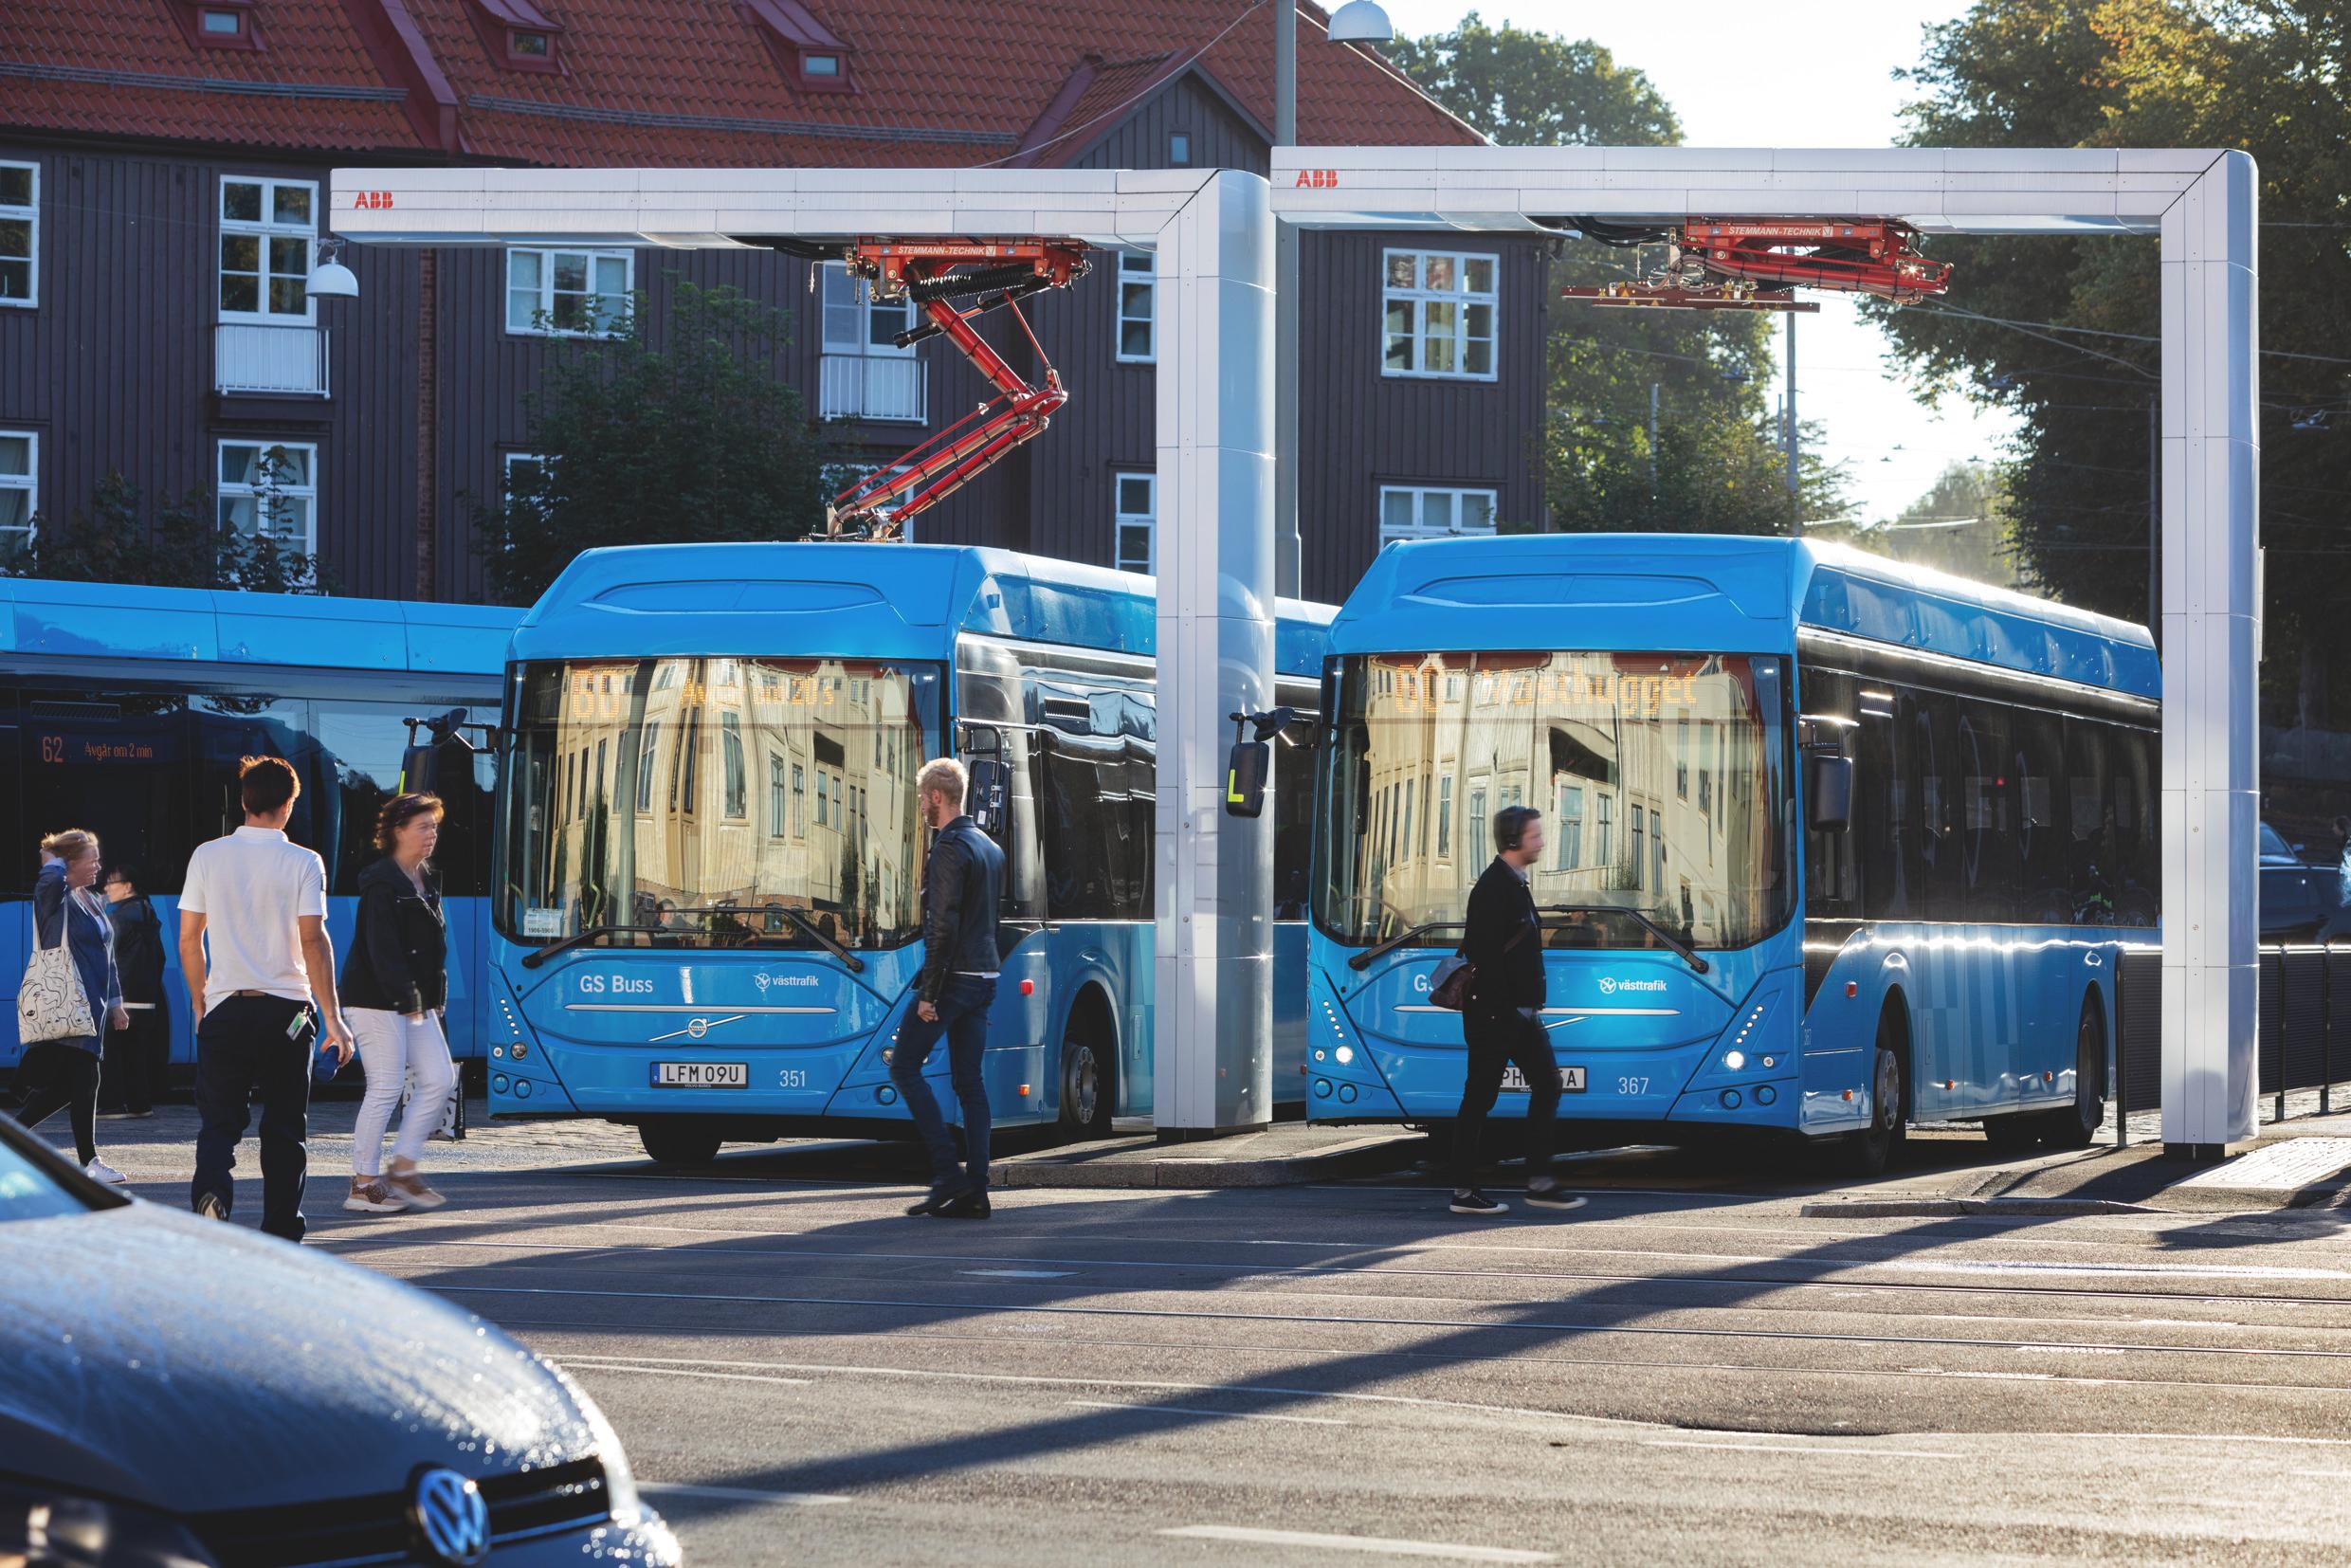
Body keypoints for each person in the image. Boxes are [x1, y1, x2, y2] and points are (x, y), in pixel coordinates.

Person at [179, 756, 354, 1241]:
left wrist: (200, 1003)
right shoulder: (303, 862)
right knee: (283, 1127)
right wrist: (334, 1019)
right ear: (289, 805)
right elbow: (314, 941)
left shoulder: (207, 856)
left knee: (219, 1121)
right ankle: (280, 1229)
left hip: (225, 1007)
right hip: (287, 1013)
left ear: (243, 801)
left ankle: (212, 1195)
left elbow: (190, 939)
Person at [1449, 805, 1584, 1218]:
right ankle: (1463, 1190)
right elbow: (1485, 957)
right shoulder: (1493, 888)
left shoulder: (1515, 884)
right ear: (1514, 841)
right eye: (1535, 835)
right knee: (1479, 1099)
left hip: (1520, 1014)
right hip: (1495, 1016)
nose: (1541, 842)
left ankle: (1540, 1181)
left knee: (1548, 1084)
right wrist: (1505, 1011)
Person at [891, 757, 1006, 1219]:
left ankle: (946, 1174)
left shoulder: (949, 848)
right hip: (985, 977)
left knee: (904, 1067)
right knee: (969, 1083)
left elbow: (943, 928)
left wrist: (928, 995)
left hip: (953, 979)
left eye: (922, 797)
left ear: (937, 797)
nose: (921, 805)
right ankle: (976, 1189)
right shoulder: (988, 847)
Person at [338, 793, 456, 1215]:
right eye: (424, 826)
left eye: (435, 827)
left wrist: (432, 997)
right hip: (374, 998)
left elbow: (432, 947)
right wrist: (407, 997)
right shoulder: (380, 882)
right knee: (386, 1087)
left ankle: (403, 1166)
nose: (432, 834)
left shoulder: (425, 877)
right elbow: (381, 947)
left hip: (413, 999)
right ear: (398, 831)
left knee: (440, 1078)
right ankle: (363, 1183)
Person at [13, 830, 129, 1184]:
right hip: (67, 1002)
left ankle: (8, 1138)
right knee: (86, 1076)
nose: (98, 865)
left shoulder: (90, 900)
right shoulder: (54, 897)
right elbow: (48, 879)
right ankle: (90, 1161)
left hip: (90, 1006)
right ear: (71, 863)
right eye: (90, 859)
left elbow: (106, 955)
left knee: (67, 1087)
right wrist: (53, 860)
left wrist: (116, 1002)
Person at [99, 864, 169, 1120]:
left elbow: (106, 958)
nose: (106, 889)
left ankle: (112, 1105)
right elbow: (159, 958)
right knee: (136, 1054)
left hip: (122, 998)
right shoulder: (150, 916)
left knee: (112, 1053)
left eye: (111, 883)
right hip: (147, 998)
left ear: (127, 887)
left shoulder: (119, 919)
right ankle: (140, 1105)